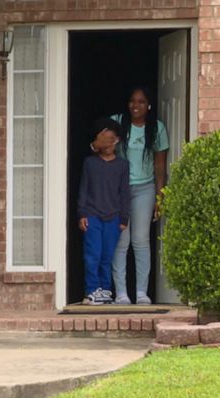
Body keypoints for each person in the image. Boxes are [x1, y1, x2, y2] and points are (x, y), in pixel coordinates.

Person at [90, 86, 169, 304]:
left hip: (145, 188)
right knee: (120, 241)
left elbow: (160, 165)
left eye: (141, 101)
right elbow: (96, 146)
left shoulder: (157, 128)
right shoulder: (117, 122)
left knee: (141, 240)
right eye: (133, 101)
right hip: (118, 190)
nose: (136, 105)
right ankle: (122, 294)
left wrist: (160, 196)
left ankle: (142, 293)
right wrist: (99, 143)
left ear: (149, 105)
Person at [78, 119, 129, 305]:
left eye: (112, 139)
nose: (108, 143)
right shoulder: (90, 163)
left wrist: (124, 218)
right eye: (105, 139)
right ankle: (92, 290)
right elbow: (84, 189)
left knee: (107, 257)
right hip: (92, 214)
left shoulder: (122, 165)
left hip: (113, 217)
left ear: (117, 141)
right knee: (93, 254)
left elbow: (125, 193)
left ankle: (105, 291)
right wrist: (82, 213)